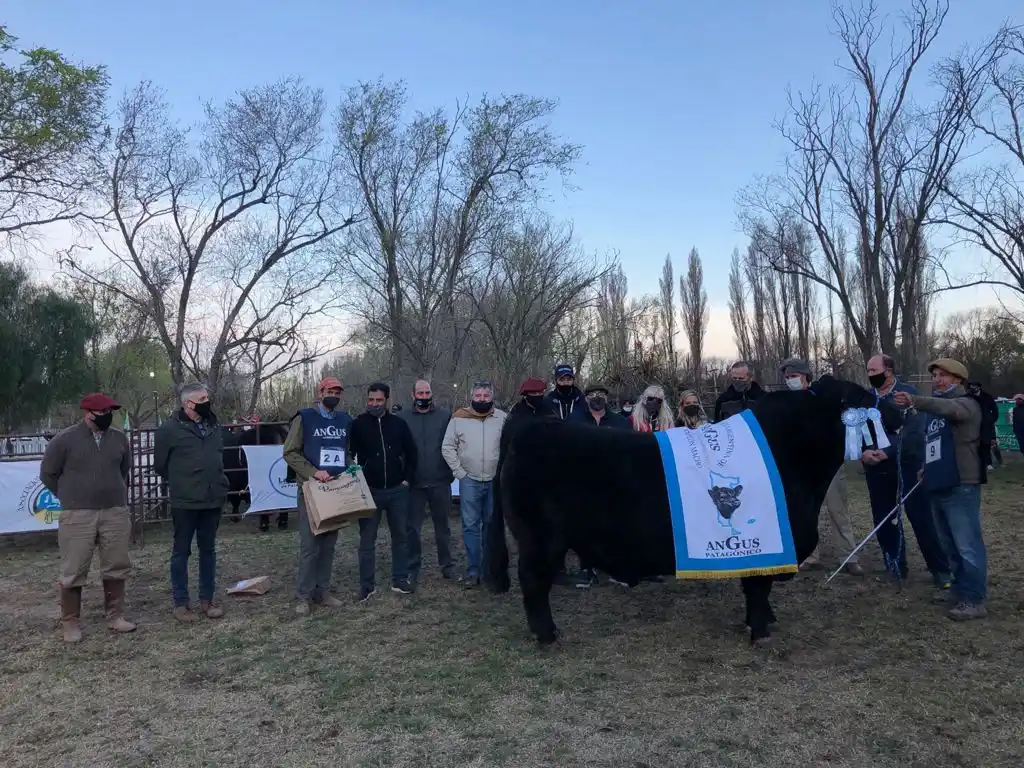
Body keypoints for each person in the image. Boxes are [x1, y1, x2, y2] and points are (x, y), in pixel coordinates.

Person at [894, 358, 988, 621]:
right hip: (938, 483)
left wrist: (916, 400)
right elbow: (935, 443)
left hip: (961, 484)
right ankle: (960, 591)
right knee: (949, 545)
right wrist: (926, 466)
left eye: (943, 375)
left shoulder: (966, 403)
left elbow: (950, 409)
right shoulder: (935, 414)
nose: (937, 379)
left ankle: (974, 598)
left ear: (958, 380)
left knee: (967, 545)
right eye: (935, 375)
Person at [40, 393, 135, 643]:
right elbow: (48, 474)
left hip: (114, 510)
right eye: (103, 413)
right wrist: (69, 496)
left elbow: (124, 469)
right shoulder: (64, 440)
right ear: (89, 413)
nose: (108, 417)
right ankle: (70, 621)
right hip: (77, 513)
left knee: (116, 563)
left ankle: (115, 616)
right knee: (74, 567)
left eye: (110, 412)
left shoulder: (119, 439)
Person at [862, 354, 951, 586]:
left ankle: (940, 569)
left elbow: (914, 430)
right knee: (883, 516)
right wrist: (864, 452)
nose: (870, 375)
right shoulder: (866, 398)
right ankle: (894, 564)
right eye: (868, 371)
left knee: (921, 517)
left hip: (908, 463)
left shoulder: (907, 393)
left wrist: (888, 451)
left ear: (888, 370)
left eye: (874, 370)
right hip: (876, 468)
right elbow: (858, 431)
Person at [780, 359, 864, 576]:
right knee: (805, 514)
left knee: (838, 511)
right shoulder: (786, 404)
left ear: (806, 376)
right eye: (788, 377)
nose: (791, 381)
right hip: (801, 469)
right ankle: (809, 555)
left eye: (795, 376)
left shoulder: (824, 399)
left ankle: (849, 556)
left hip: (828, 466)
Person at [154, 383, 229, 622]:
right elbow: (160, 465)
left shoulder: (214, 426)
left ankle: (207, 599)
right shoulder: (169, 430)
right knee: (181, 552)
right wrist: (183, 482)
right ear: (188, 403)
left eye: (207, 396)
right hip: (185, 501)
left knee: (208, 551)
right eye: (202, 398)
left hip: (212, 498)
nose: (208, 401)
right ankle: (181, 603)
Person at [283, 377, 352, 615]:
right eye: (329, 391)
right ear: (320, 392)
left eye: (337, 391)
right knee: (310, 545)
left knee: (329, 544)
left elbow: (347, 451)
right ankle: (303, 596)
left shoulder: (345, 420)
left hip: (336, 488)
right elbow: (290, 452)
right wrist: (313, 472)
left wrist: (350, 469)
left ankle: (322, 591)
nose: (333, 394)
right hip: (311, 489)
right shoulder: (304, 418)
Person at [348, 382, 418, 601]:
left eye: (378, 400)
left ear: (386, 399)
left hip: (398, 489)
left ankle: (400, 579)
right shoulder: (358, 424)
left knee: (401, 537)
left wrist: (408, 479)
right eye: (371, 400)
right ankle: (367, 585)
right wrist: (357, 476)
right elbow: (349, 453)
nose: (374, 404)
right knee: (367, 540)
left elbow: (412, 453)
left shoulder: (399, 423)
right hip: (370, 490)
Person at [442, 381, 508, 587]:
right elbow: (447, 446)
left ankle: (490, 569)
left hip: (494, 480)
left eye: (485, 396)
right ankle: (473, 570)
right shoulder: (459, 418)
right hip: (469, 479)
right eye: (478, 396)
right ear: (472, 397)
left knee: (491, 525)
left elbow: (510, 446)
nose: (481, 399)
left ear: (492, 397)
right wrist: (460, 472)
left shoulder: (502, 418)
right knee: (470, 526)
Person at [397, 379, 455, 585]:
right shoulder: (401, 417)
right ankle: (413, 568)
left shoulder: (445, 415)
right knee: (412, 529)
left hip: (440, 481)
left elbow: (453, 444)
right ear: (413, 395)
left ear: (432, 394)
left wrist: (451, 471)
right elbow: (398, 450)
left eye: (427, 393)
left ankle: (447, 566)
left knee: (443, 528)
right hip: (414, 484)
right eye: (420, 393)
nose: (424, 396)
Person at [966, 381, 999, 470]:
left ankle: (988, 463)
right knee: (973, 443)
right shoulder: (968, 397)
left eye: (974, 386)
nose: (973, 388)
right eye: (971, 386)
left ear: (979, 387)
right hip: (972, 423)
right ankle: (974, 463)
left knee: (986, 443)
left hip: (985, 424)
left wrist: (991, 420)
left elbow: (994, 410)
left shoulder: (987, 397)